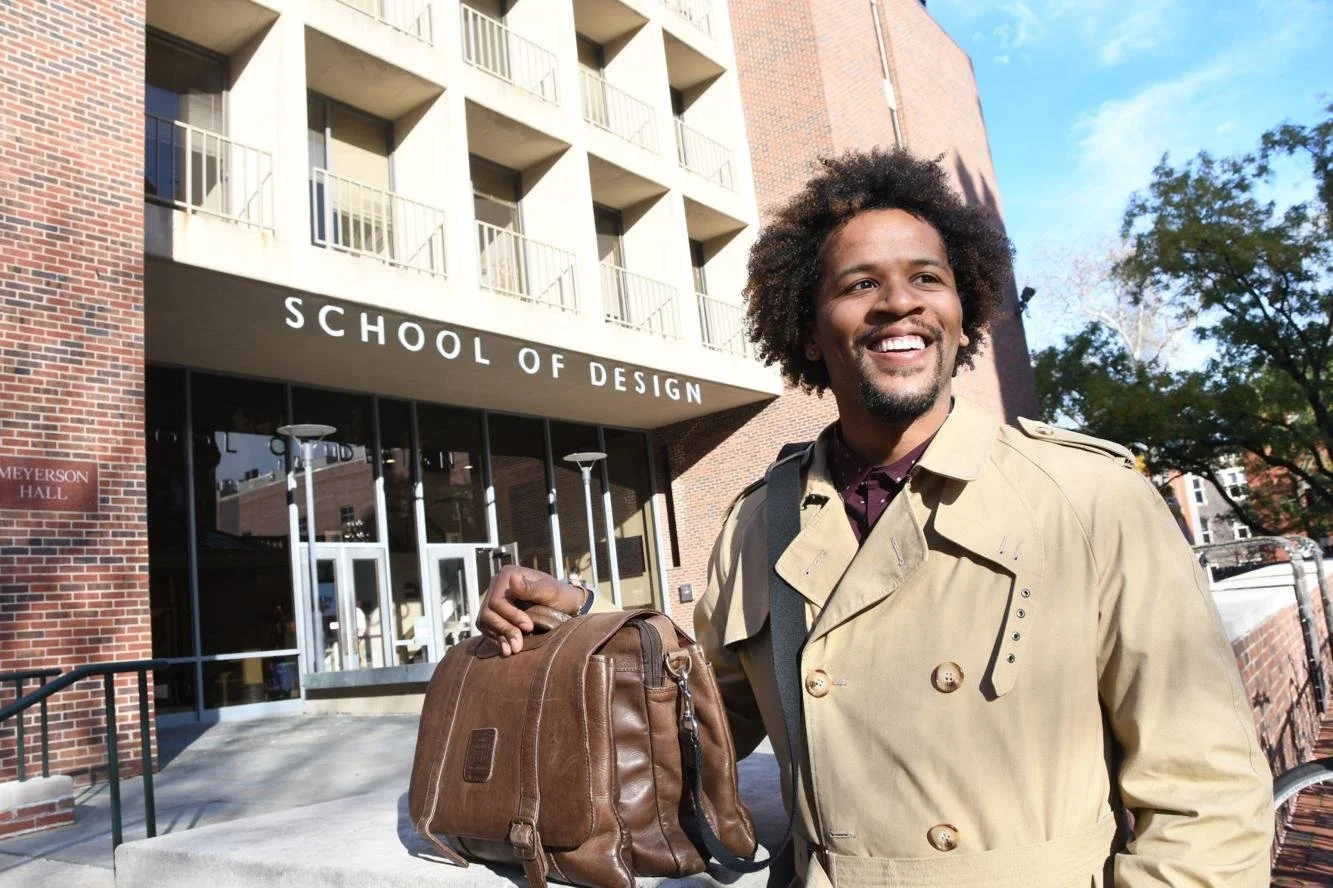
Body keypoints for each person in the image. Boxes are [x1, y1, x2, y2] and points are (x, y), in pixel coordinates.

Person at [477, 150, 1273, 886]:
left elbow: (1205, 793)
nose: (899, 302)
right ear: (807, 330)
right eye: (859, 284)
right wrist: (583, 628)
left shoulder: (1089, 497)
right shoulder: (759, 523)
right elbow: (699, 726)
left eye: (927, 278)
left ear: (962, 314)